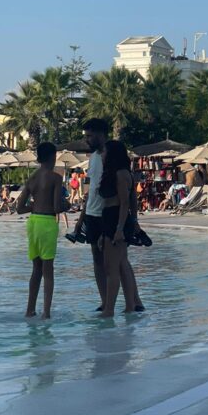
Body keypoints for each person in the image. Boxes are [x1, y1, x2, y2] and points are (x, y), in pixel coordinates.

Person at [74, 119, 144, 312]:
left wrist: (134, 220)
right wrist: (81, 217)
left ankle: (134, 301)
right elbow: (92, 189)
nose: (86, 140)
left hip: (110, 214)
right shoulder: (93, 158)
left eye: (89, 136)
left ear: (100, 134)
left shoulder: (114, 156)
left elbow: (129, 194)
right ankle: (106, 301)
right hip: (93, 213)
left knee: (119, 261)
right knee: (98, 260)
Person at [16, 142, 64, 318]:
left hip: (33, 222)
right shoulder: (56, 178)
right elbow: (58, 207)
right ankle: (46, 312)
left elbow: (19, 208)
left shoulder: (32, 178)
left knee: (36, 269)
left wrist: (34, 206)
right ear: (53, 156)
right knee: (48, 270)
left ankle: (30, 310)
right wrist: (68, 205)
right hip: (47, 223)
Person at [98, 140, 137, 317]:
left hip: (116, 218)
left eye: (105, 152)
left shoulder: (121, 174)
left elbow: (125, 203)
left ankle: (109, 309)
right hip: (109, 217)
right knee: (119, 264)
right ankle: (130, 306)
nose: (102, 154)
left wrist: (120, 228)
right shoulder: (114, 172)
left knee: (111, 268)